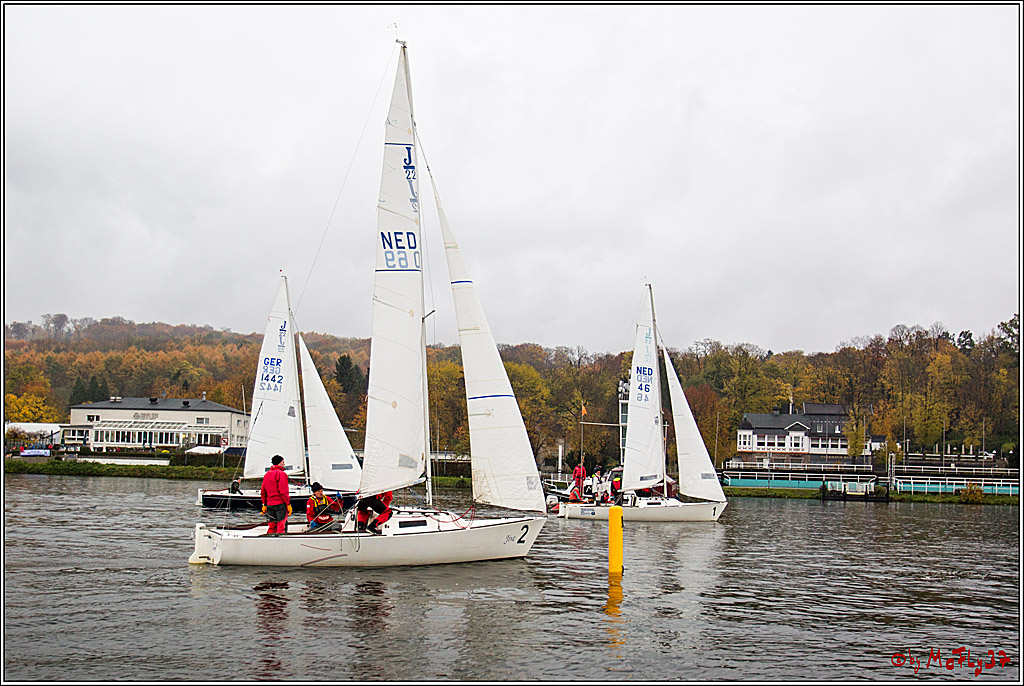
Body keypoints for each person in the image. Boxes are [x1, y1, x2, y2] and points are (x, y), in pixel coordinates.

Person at [260, 455, 292, 534]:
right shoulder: (281, 474)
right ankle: (281, 541)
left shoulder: (267, 474)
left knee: (272, 525)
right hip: (280, 504)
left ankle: (270, 539)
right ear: (279, 463)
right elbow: (283, 491)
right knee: (281, 525)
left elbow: (263, 491)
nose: (284, 464)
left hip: (270, 504)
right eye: (283, 462)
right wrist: (288, 504)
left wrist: (264, 504)